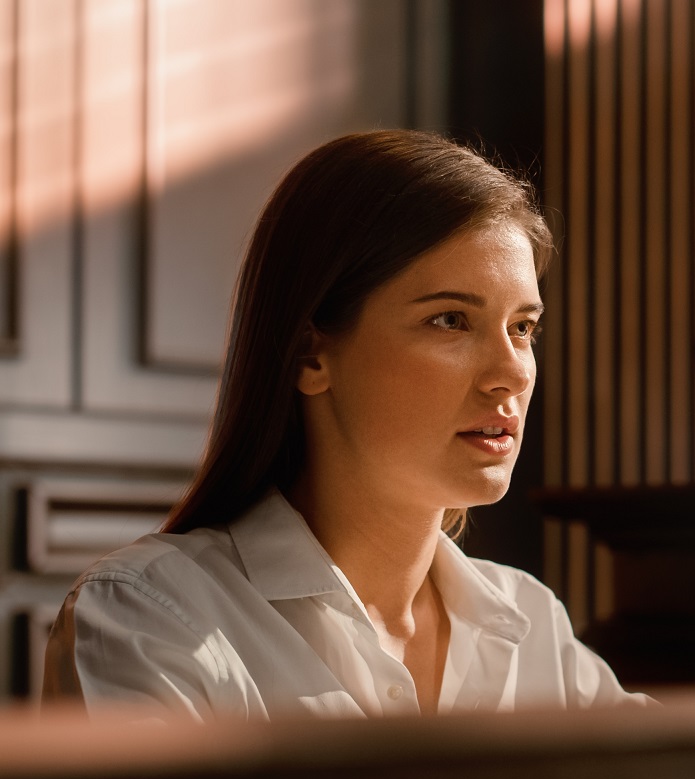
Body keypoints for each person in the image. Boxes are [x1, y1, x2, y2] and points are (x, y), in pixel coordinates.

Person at [43, 131, 644, 720]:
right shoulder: (151, 619)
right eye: (450, 320)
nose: (511, 373)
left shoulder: (532, 625)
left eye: (523, 328)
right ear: (310, 355)